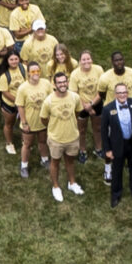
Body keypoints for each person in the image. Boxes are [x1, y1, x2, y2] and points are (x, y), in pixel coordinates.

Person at [100, 82, 132, 207]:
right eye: (119, 92)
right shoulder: (108, 109)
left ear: (128, 93)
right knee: (117, 171)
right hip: (117, 145)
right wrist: (107, 150)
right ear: (115, 94)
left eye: (124, 92)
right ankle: (116, 195)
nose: (122, 95)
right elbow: (103, 132)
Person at [40, 73, 84, 202]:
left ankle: (72, 183)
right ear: (54, 84)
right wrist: (53, 127)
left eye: (64, 82)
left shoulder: (75, 97)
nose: (62, 84)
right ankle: (56, 187)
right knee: (55, 162)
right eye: (59, 82)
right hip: (56, 139)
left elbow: (77, 111)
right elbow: (43, 119)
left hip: (72, 137)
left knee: (70, 161)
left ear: (67, 82)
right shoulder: (48, 101)